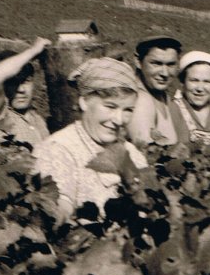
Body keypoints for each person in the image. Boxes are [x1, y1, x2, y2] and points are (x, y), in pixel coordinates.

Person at [33, 57, 148, 223]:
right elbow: (58, 214)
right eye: (110, 107)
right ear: (84, 102)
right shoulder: (57, 150)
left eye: (128, 110)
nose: (119, 119)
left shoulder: (130, 152)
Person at [0, 38, 50, 146]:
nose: (21, 90)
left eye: (26, 81)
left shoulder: (38, 120)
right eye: (13, 83)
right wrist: (33, 51)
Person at [127, 35, 185, 147]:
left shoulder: (162, 96)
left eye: (171, 64)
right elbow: (145, 154)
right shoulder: (141, 101)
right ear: (138, 61)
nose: (165, 73)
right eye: (156, 63)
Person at [170, 51, 210, 146]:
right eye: (194, 80)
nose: (200, 88)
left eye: (207, 82)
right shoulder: (170, 111)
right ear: (182, 82)